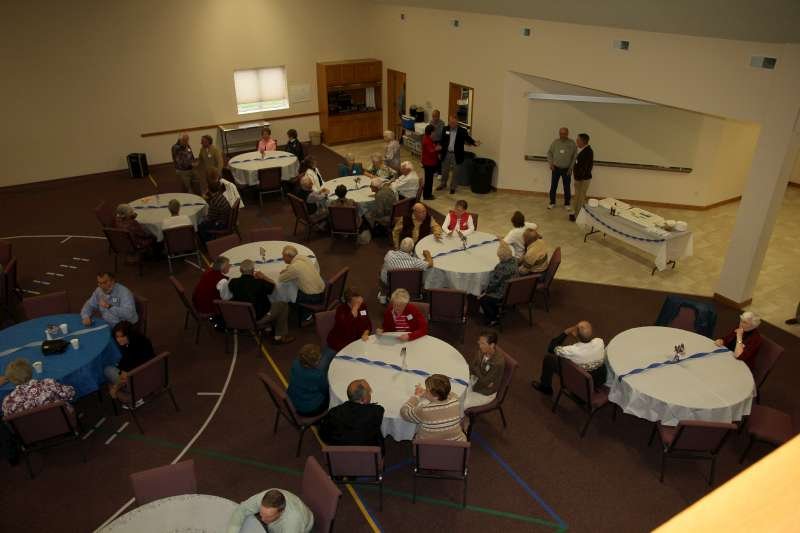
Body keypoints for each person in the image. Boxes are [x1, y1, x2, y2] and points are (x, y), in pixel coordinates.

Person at [228, 259, 294, 344]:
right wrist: (263, 277)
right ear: (253, 270)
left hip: (240, 315)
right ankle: (279, 336)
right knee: (283, 305)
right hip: (259, 317)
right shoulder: (260, 283)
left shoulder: (233, 282)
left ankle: (268, 328)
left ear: (240, 270)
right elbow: (273, 286)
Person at [532, 321, 606, 396]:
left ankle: (545, 387)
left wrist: (566, 332)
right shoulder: (600, 342)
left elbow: (551, 347)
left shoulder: (571, 351)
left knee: (548, 359)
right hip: (598, 380)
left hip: (580, 384)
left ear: (575, 334)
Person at [319, 379, 385, 452]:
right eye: (369, 392)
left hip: (339, 453)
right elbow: (379, 410)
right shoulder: (376, 412)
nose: (370, 393)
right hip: (367, 454)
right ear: (364, 399)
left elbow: (323, 433)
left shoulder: (334, 412)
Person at [400, 374, 466, 441]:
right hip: (457, 444)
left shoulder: (424, 409)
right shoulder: (456, 401)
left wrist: (416, 396)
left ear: (435, 396)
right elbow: (451, 394)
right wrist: (427, 393)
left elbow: (404, 412)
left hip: (428, 445)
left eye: (427, 390)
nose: (425, 391)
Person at [0, 359, 76, 418]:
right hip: (61, 421)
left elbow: (10, 421)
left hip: (31, 432)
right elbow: (70, 393)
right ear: (30, 371)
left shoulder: (7, 402)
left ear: (11, 380)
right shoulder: (48, 384)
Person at [104, 320, 156, 399]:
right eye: (117, 337)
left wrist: (115, 388)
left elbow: (126, 374)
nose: (119, 339)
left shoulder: (131, 350)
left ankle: (135, 395)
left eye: (122, 336)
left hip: (137, 380)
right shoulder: (142, 340)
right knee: (115, 366)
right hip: (152, 374)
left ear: (129, 335)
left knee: (107, 369)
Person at [227, 488, 313, 533]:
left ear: (281, 512)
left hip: (304, 525)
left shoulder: (292, 524)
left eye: (268, 517)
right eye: (261, 513)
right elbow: (242, 509)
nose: (262, 519)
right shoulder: (263, 498)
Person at [278, 245, 326, 323]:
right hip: (322, 291)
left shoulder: (294, 267)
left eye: (283, 256)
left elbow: (281, 279)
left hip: (313, 297)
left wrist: (286, 271)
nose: (282, 258)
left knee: (288, 293)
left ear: (289, 256)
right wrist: (288, 269)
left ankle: (306, 314)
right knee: (296, 284)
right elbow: (294, 268)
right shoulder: (304, 258)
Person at [463, 330, 506, 409]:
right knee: (457, 395)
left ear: (492, 345)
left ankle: (463, 417)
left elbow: (486, 382)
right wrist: (478, 373)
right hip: (475, 380)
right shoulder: (482, 351)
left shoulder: (498, 362)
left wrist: (476, 370)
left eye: (483, 343)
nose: (480, 346)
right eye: (479, 342)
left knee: (462, 404)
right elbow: (472, 366)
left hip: (485, 392)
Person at [437, 115, 480, 194]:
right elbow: (442, 140)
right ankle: (443, 184)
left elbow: (468, 138)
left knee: (456, 172)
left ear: (457, 122)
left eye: (453, 122)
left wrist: (474, 143)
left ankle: (453, 187)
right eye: (450, 122)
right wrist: (439, 152)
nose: (452, 124)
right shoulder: (445, 129)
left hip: (456, 154)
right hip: (446, 153)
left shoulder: (462, 131)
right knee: (444, 170)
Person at [478, 242, 517, 326]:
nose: (499, 259)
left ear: (503, 257)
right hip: (512, 290)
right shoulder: (515, 261)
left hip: (502, 293)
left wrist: (485, 292)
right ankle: (496, 311)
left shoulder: (502, 268)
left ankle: (493, 319)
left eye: (499, 257)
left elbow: (494, 283)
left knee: (483, 299)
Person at [287, 344, 331, 416]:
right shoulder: (318, 375)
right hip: (309, 409)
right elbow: (325, 389)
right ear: (314, 362)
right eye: (319, 359)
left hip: (292, 401)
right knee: (331, 395)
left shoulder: (295, 363)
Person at [326, 288, 373, 353]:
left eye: (361, 300)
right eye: (358, 302)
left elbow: (368, 324)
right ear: (350, 302)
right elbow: (344, 330)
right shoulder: (341, 310)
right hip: (338, 345)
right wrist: (352, 315)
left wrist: (366, 332)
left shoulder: (362, 306)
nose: (361, 302)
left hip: (357, 344)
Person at [547, 127, 577, 210]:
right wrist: (551, 163)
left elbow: (574, 157)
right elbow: (549, 153)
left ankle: (567, 203)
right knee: (553, 186)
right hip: (555, 168)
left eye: (564, 134)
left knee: (566, 187)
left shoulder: (572, 143)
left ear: (567, 134)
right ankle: (552, 202)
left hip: (567, 169)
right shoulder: (555, 142)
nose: (562, 135)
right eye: (561, 133)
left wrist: (571, 168)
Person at [571, 133, 594, 221]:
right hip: (579, 178)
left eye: (578, 140)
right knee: (577, 196)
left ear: (583, 141)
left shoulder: (588, 152)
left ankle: (578, 216)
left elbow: (586, 168)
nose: (576, 141)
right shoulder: (582, 150)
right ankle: (575, 213)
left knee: (581, 198)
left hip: (583, 179)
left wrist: (579, 178)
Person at [421, 124, 441, 200]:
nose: (435, 133)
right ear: (431, 132)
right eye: (434, 131)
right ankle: (427, 195)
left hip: (428, 162)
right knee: (429, 180)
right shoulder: (427, 140)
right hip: (428, 163)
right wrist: (437, 148)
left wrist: (435, 147)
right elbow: (431, 151)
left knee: (429, 179)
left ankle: (428, 194)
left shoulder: (427, 138)